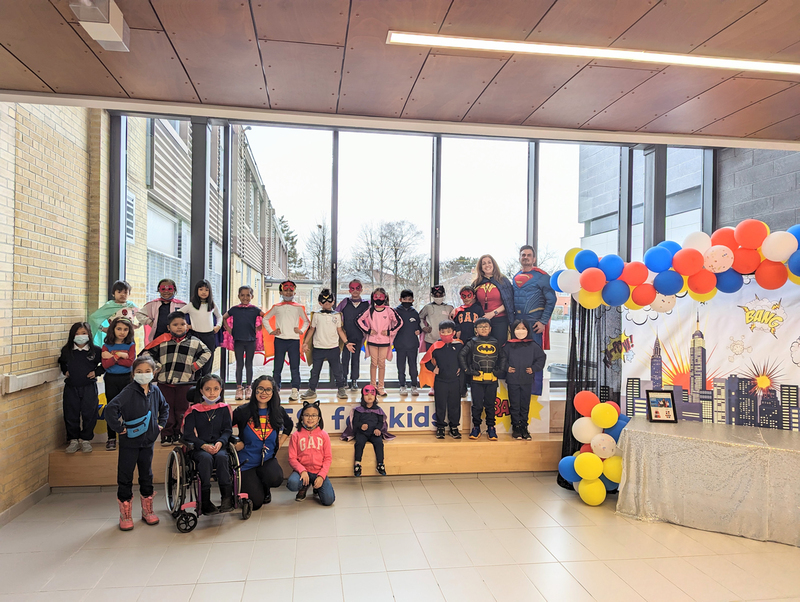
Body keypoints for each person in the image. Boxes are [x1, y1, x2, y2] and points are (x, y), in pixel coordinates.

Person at [104, 356, 168, 530]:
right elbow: (110, 409)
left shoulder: (156, 391)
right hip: (129, 442)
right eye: (139, 371)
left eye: (147, 371)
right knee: (125, 476)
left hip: (148, 442)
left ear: (154, 373)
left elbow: (165, 408)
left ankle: (147, 510)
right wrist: (119, 428)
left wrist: (160, 425)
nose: (143, 374)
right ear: (133, 374)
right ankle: (125, 513)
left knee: (146, 475)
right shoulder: (129, 391)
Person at [142, 311, 211, 446]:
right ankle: (167, 435)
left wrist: (196, 365)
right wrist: (156, 366)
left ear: (187, 326)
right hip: (164, 381)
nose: (179, 327)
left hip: (184, 382)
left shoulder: (194, 342)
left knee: (182, 409)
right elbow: (147, 353)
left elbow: (207, 352)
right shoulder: (162, 340)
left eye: (182, 324)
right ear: (169, 327)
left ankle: (181, 433)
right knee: (166, 409)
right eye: (175, 324)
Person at [232, 375, 291, 510]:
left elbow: (289, 425)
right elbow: (225, 429)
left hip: (267, 460)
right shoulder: (243, 411)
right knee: (256, 504)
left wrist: (280, 442)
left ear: (273, 392)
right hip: (246, 462)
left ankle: (263, 485)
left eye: (268, 390)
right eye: (260, 389)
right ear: (254, 390)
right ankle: (247, 483)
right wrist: (236, 440)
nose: (264, 393)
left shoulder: (277, 411)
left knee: (276, 478)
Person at [183, 375, 233, 514]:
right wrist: (203, 445)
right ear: (201, 391)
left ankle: (227, 498)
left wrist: (220, 442)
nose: (212, 392)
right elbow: (188, 435)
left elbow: (227, 430)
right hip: (199, 447)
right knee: (206, 458)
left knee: (222, 458)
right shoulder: (193, 410)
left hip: (218, 446)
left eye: (216, 389)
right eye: (208, 389)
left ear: (220, 390)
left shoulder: (224, 409)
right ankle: (205, 501)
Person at [511, 246, 556, 397]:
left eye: (529, 255)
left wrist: (543, 321)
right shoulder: (515, 276)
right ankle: (519, 388)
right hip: (518, 324)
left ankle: (535, 390)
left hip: (534, 323)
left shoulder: (542, 276)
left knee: (535, 356)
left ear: (534, 259)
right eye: (523, 255)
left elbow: (551, 300)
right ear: (519, 258)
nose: (526, 257)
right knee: (517, 356)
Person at [59, 322, 104, 453]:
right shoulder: (66, 350)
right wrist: (65, 371)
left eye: (83, 333)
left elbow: (105, 364)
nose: (80, 336)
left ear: (89, 334)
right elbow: (62, 362)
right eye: (77, 334)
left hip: (89, 387)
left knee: (90, 413)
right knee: (71, 413)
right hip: (71, 387)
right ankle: (73, 440)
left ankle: (86, 440)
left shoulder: (96, 350)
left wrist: (96, 372)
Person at [459, 317, 506, 441]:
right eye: (480, 327)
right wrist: (467, 370)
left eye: (486, 326)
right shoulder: (472, 342)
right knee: (477, 405)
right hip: (477, 380)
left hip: (491, 379)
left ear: (490, 329)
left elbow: (503, 357)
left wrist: (500, 370)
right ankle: (476, 427)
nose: (483, 329)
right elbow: (461, 355)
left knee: (490, 405)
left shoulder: (496, 342)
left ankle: (491, 427)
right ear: (476, 330)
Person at [263, 280, 309, 402]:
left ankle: (295, 390)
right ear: (281, 291)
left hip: (294, 340)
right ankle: (275, 389)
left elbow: (306, 321)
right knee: (277, 367)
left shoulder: (299, 307)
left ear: (294, 292)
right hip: (280, 340)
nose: (288, 292)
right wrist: (271, 331)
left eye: (290, 290)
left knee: (295, 367)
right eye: (285, 290)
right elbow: (265, 319)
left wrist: (301, 330)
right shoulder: (276, 307)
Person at [302, 289, 350, 401]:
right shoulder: (316, 315)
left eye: (329, 300)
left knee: (338, 370)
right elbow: (311, 330)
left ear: (333, 302)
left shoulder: (337, 315)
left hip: (333, 348)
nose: (327, 302)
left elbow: (340, 331)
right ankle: (312, 389)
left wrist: (346, 343)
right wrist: (305, 343)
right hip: (319, 348)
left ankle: (341, 388)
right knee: (315, 371)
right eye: (324, 300)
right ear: (320, 302)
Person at [503, 320, 547, 440]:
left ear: (528, 330)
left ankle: (524, 427)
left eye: (523, 328)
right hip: (513, 380)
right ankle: (516, 427)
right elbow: (502, 359)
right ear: (512, 330)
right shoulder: (508, 345)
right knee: (515, 404)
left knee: (525, 405)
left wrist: (534, 368)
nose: (520, 331)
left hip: (527, 380)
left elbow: (541, 358)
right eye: (518, 328)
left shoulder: (533, 345)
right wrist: (507, 367)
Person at [286, 401, 335, 506]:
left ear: (319, 418)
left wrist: (321, 476)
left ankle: (317, 486)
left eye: (314, 415)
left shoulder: (324, 435)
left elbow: (328, 458)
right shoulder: (296, 435)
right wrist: (302, 470)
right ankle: (304, 486)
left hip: (318, 472)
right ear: (302, 417)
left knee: (328, 500)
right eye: (307, 415)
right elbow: (292, 458)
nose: (310, 418)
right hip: (302, 471)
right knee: (293, 483)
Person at [421, 320, 463, 439]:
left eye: (448, 331)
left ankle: (454, 427)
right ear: (439, 332)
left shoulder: (459, 345)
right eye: (443, 332)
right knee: (440, 405)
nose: (445, 334)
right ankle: (440, 427)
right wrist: (433, 368)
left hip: (455, 381)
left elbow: (464, 359)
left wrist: (460, 367)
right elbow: (425, 361)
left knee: (454, 405)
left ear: (454, 332)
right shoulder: (435, 346)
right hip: (440, 381)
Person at [222, 285, 265, 401]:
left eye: (248, 295)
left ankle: (249, 388)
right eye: (242, 295)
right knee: (239, 364)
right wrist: (229, 330)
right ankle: (239, 388)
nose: (245, 297)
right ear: (238, 296)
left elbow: (266, 317)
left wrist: (259, 328)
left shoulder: (255, 309)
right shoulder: (234, 309)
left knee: (249, 364)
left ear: (252, 296)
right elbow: (224, 318)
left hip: (251, 340)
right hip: (238, 340)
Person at [341, 385, 395, 476]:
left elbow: (380, 422)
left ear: (375, 396)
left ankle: (380, 464)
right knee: (359, 443)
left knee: (379, 443)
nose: (369, 397)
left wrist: (378, 429)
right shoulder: (358, 410)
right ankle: (357, 464)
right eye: (367, 394)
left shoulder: (378, 410)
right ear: (362, 396)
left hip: (374, 433)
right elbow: (355, 422)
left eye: (372, 394)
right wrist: (361, 425)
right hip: (362, 433)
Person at [357, 288, 401, 397]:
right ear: (372, 297)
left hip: (385, 342)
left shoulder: (389, 310)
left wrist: (390, 332)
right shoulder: (370, 310)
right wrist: (368, 330)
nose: (378, 298)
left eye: (380, 296)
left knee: (381, 364)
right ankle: (372, 387)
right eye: (375, 296)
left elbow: (399, 322)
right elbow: (358, 320)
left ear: (385, 297)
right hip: (372, 341)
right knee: (373, 363)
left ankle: (381, 387)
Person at [101, 317, 136, 451]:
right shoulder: (106, 346)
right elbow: (105, 365)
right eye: (119, 329)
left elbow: (130, 363)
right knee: (111, 408)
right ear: (113, 329)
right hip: (111, 379)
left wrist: (111, 357)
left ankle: (128, 435)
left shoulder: (131, 345)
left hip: (126, 378)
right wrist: (118, 356)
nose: (122, 332)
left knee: (128, 408)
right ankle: (111, 438)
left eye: (126, 329)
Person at [180, 279, 222, 378]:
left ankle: (207, 382)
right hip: (196, 336)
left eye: (206, 290)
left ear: (210, 292)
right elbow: (177, 314)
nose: (203, 292)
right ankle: (196, 384)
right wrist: (186, 325)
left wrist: (218, 326)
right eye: (201, 289)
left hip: (209, 336)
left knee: (208, 360)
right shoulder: (191, 306)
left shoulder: (212, 305)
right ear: (197, 291)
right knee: (196, 361)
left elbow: (219, 316)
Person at [419, 285, 454, 397]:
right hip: (431, 339)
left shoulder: (449, 307)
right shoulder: (428, 307)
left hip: (446, 340)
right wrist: (423, 327)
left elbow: (454, 321)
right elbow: (419, 317)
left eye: (440, 295)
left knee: (445, 363)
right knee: (432, 364)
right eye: (436, 295)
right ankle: (432, 386)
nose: (438, 297)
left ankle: (446, 385)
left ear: (444, 295)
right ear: (432, 296)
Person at [472, 255, 515, 347]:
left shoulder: (503, 281)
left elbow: (509, 302)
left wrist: (493, 313)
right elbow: (470, 301)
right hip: (482, 320)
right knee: (483, 347)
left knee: (499, 347)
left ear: (494, 264)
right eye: (484, 263)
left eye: (489, 262)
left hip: (500, 320)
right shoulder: (476, 283)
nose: (487, 265)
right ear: (481, 267)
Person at [336, 279, 369, 391]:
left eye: (357, 288)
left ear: (361, 289)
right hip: (346, 336)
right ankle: (344, 379)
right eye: (352, 288)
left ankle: (354, 380)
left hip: (359, 336)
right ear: (349, 289)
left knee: (356, 359)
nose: (355, 291)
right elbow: (336, 315)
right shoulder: (345, 302)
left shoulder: (366, 304)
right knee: (345, 358)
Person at [452, 285, 484, 397]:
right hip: (462, 341)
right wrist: (457, 329)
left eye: (469, 295)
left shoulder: (478, 309)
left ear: (474, 295)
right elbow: (454, 322)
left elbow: (483, 322)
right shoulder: (458, 310)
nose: (466, 298)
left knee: (473, 363)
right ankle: (463, 388)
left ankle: (474, 387)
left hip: (474, 341)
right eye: (463, 296)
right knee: (462, 364)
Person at [88, 280, 140, 346]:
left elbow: (143, 316)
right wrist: (102, 328)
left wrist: (138, 325)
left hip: (128, 338)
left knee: (129, 354)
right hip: (112, 338)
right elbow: (93, 318)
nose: (122, 294)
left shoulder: (131, 306)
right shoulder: (109, 306)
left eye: (125, 292)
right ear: (113, 293)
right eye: (119, 292)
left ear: (129, 294)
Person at [135, 278, 186, 345]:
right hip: (157, 336)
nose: (166, 291)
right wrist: (149, 322)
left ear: (174, 290)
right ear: (159, 290)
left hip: (175, 338)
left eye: (169, 289)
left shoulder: (181, 305)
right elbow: (139, 313)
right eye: (163, 289)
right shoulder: (153, 304)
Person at [394, 289, 421, 396]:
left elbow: (419, 327)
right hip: (400, 345)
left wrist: (419, 330)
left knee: (413, 366)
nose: (407, 301)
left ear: (413, 300)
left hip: (413, 345)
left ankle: (414, 385)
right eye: (404, 299)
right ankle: (402, 385)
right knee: (401, 367)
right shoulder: (395, 312)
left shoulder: (414, 313)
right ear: (400, 299)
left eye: (409, 299)